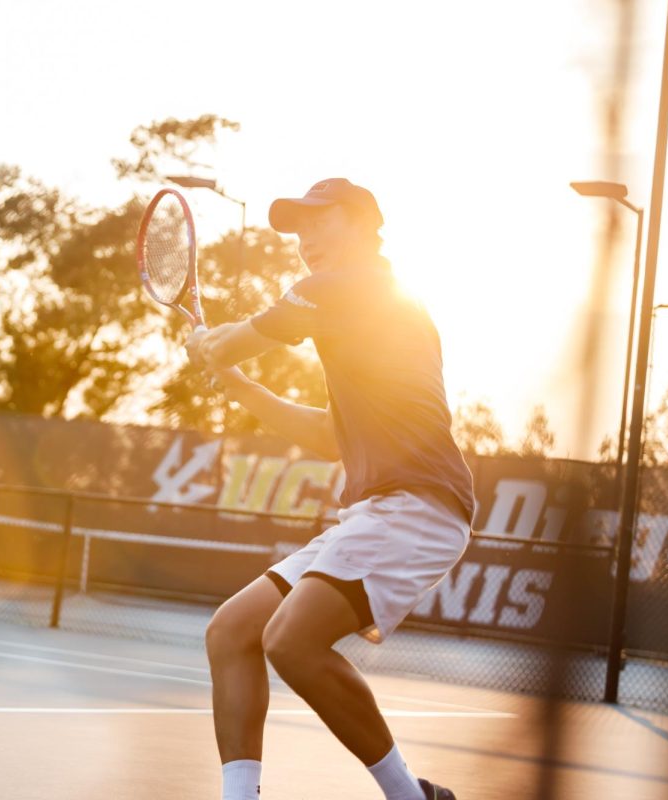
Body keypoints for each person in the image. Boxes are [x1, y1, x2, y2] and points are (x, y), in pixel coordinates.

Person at [186, 178, 475, 800]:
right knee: (232, 631)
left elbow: (241, 337)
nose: (305, 238)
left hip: (418, 506)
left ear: (365, 221)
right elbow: (330, 434)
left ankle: (410, 798)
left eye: (319, 221)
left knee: (289, 640)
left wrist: (210, 346)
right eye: (297, 229)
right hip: (380, 508)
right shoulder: (365, 312)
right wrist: (241, 387)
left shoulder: (352, 286)